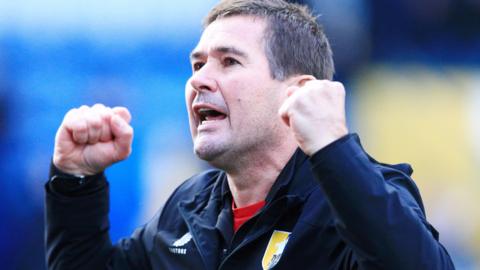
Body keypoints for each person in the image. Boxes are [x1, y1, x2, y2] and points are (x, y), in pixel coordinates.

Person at [45, 0, 454, 269]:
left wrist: (333, 148)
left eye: (229, 62)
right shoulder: (189, 208)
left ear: (298, 92)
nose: (200, 80)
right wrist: (76, 182)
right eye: (197, 64)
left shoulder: (360, 199)